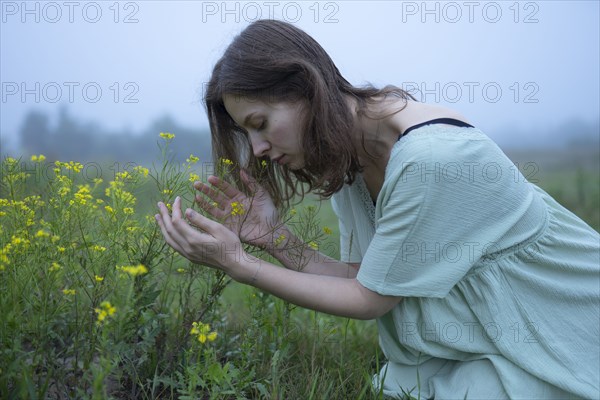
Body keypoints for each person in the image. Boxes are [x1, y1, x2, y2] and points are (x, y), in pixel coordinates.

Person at [155, 19, 600, 399]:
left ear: (306, 88)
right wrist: (275, 240)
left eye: (260, 124)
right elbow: (366, 276)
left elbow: (369, 299)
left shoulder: (431, 160)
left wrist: (240, 264)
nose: (259, 149)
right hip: (482, 337)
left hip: (561, 328)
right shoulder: (352, 156)